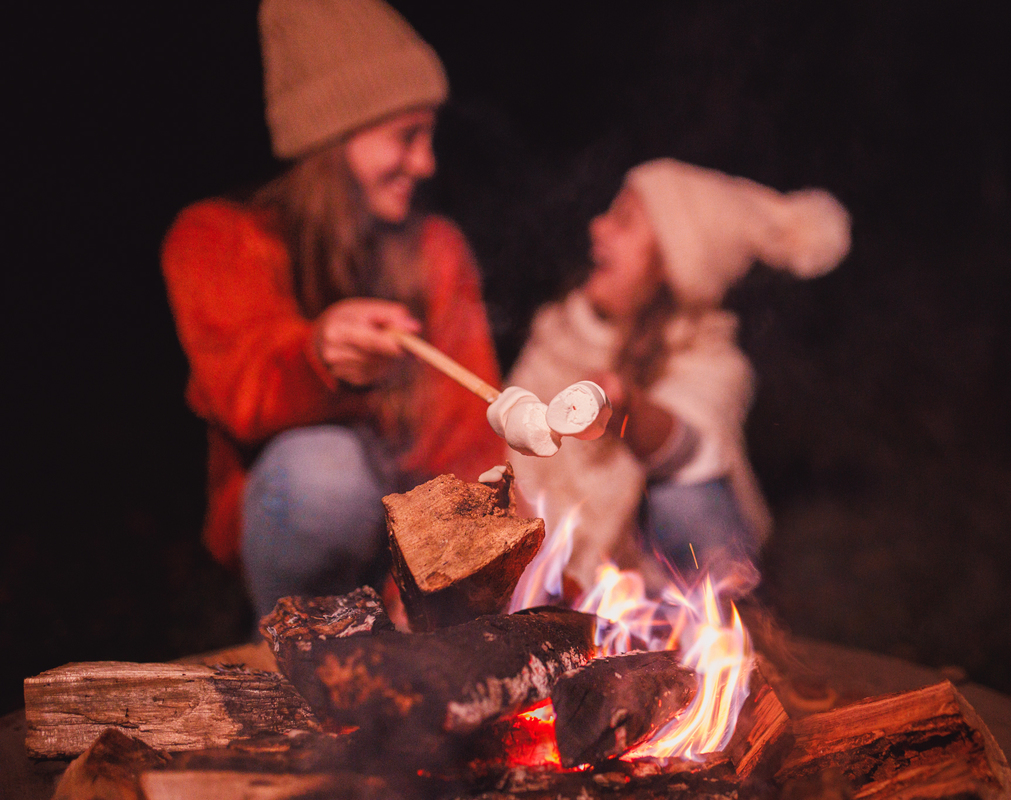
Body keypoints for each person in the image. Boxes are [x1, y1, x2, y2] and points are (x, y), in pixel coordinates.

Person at [162, 0, 503, 623]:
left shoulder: (436, 250)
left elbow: (471, 438)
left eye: (429, 135)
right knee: (323, 471)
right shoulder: (215, 238)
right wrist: (318, 357)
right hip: (304, 536)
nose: (425, 163)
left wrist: (452, 577)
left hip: (416, 548)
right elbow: (239, 388)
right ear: (333, 135)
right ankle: (314, 655)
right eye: (406, 135)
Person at [504, 159, 851, 594]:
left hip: (654, 585)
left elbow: (685, 448)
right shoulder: (559, 334)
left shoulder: (714, 360)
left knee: (686, 496)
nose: (598, 227)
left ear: (672, 261)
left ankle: (711, 637)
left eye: (624, 221)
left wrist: (622, 409)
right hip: (556, 582)